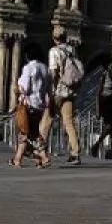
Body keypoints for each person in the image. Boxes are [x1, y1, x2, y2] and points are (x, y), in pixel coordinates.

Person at [44, 28, 83, 165]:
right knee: (68, 122)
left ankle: (41, 151)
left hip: (59, 91)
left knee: (46, 119)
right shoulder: (72, 50)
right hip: (71, 90)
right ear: (65, 37)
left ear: (54, 38)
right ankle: (75, 153)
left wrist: (51, 89)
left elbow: (54, 73)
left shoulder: (54, 51)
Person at [11, 44, 52, 169]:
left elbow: (24, 87)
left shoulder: (29, 68)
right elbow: (49, 89)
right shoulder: (45, 68)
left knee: (28, 132)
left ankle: (44, 157)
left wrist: (17, 88)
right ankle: (17, 160)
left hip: (27, 104)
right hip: (40, 105)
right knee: (28, 132)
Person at [89, 54, 112, 160]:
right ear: (107, 66)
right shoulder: (104, 75)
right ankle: (97, 145)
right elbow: (99, 92)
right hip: (106, 102)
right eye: (110, 64)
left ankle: (109, 151)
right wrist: (98, 109)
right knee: (109, 126)